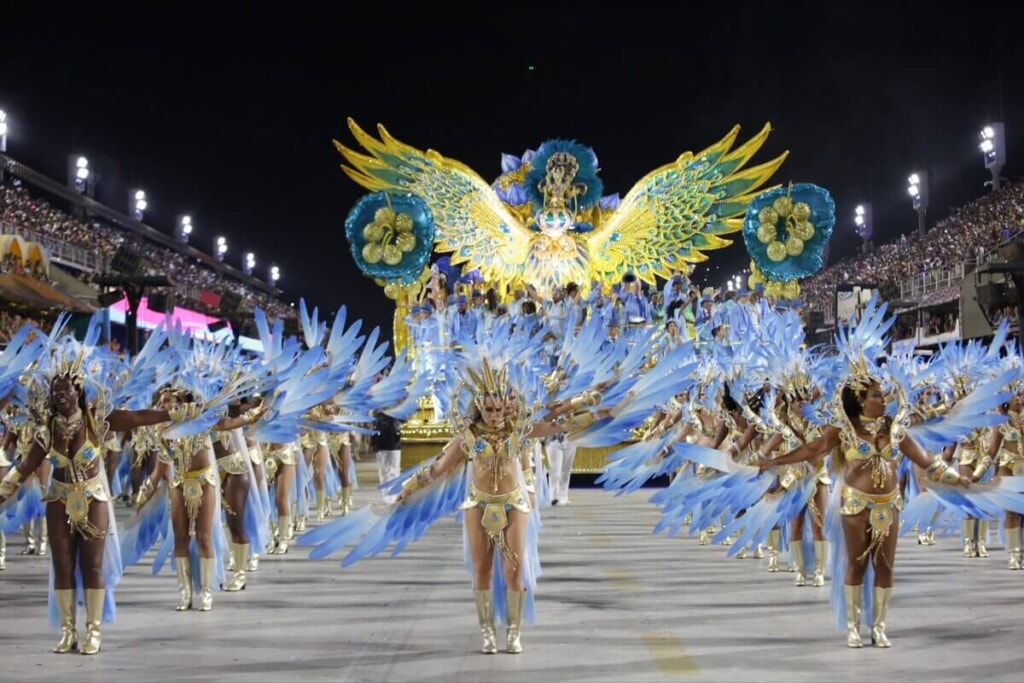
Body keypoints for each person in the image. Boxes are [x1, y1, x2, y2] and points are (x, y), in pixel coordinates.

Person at [395, 366, 610, 655]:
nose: (494, 415)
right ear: (479, 407)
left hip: (512, 503)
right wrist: (408, 488)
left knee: (514, 570)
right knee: (482, 569)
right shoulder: (467, 438)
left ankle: (513, 633)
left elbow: (559, 424)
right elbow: (437, 469)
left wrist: (596, 410)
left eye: (497, 409)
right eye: (488, 409)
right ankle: (487, 633)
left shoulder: (520, 432)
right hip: (478, 504)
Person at [756, 378, 969, 648]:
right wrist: (774, 461)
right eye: (877, 395)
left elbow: (924, 459)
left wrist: (956, 478)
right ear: (860, 401)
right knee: (856, 564)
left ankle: (879, 627)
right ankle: (853, 628)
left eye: (883, 395)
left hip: (889, 504)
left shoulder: (894, 429)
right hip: (856, 504)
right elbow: (813, 449)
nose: (883, 400)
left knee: (885, 566)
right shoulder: (843, 430)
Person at [0, 361, 183, 655]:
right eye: (55, 390)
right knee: (62, 565)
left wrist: (172, 413)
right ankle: (68, 630)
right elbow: (23, 469)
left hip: (93, 499)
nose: (60, 394)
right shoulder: (45, 431)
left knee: (92, 565)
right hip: (59, 501)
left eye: (66, 388)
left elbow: (136, 417)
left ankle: (93, 631)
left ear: (78, 391)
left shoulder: (98, 421)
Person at [372, 410, 402, 504]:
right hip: (389, 440)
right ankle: (390, 498)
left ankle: (389, 497)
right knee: (389, 470)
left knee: (387, 471)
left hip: (384, 440)